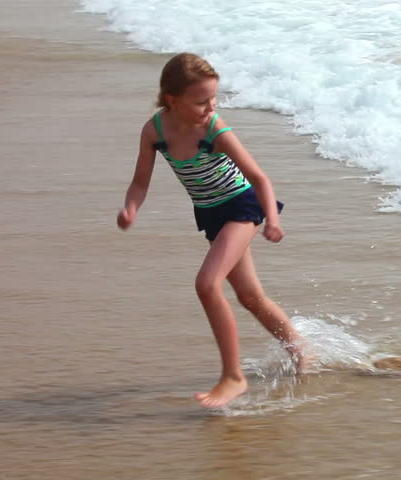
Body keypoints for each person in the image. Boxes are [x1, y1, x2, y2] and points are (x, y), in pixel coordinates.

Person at [117, 52, 307, 408]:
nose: (210, 106)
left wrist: (273, 219)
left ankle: (233, 376)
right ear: (172, 100)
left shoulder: (214, 130)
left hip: (242, 207)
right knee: (250, 298)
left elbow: (259, 178)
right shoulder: (154, 131)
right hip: (212, 215)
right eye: (201, 101)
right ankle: (301, 351)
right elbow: (140, 183)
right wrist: (130, 207)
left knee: (207, 284)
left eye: (213, 99)